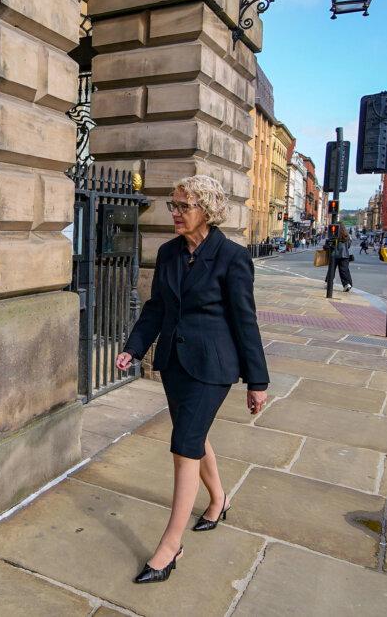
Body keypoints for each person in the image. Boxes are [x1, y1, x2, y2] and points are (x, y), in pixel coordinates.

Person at [114, 175, 269, 584]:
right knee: (193, 434)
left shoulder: (233, 258)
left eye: (184, 206)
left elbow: (245, 321)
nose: (176, 213)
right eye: (173, 205)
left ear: (207, 210)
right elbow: (156, 308)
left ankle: (170, 545)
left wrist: (258, 381)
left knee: (184, 446)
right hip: (175, 363)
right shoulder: (168, 253)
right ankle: (218, 499)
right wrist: (134, 346)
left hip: (213, 367)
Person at [332, 224, 354, 291]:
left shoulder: (335, 235)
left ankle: (329, 282)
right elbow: (348, 246)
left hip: (335, 254)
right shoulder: (347, 236)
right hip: (345, 255)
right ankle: (347, 284)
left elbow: (331, 244)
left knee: (332, 269)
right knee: (344, 270)